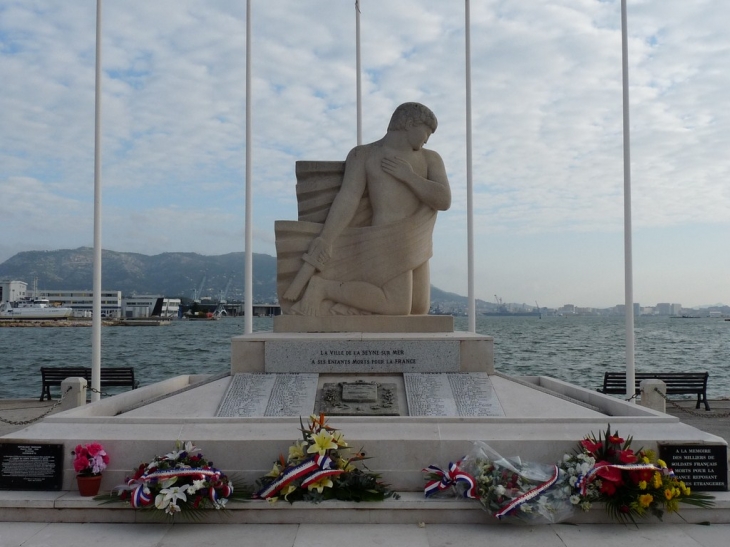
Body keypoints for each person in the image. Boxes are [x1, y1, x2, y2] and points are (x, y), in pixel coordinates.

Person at [284, 102, 451, 316]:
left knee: (418, 308)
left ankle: (346, 302)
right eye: (426, 132)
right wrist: (326, 238)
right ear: (410, 123)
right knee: (397, 307)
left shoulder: (430, 158)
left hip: (417, 239)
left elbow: (443, 200)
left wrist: (408, 176)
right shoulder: (364, 154)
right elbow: (348, 199)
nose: (427, 139)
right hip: (386, 235)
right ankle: (323, 287)